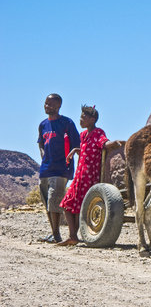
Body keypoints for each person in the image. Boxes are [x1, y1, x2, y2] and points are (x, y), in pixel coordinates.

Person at [57, 105, 121, 246]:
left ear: (92, 119)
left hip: (90, 176)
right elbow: (86, 149)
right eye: (80, 117)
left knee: (79, 205)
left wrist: (114, 144)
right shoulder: (83, 135)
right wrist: (75, 150)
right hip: (79, 175)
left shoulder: (98, 132)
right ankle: (73, 236)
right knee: (68, 204)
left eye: (83, 118)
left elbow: (103, 143)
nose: (81, 120)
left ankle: (73, 236)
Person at [38, 93, 80, 243]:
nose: (47, 106)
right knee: (47, 202)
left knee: (55, 200)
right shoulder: (43, 125)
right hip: (45, 169)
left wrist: (70, 160)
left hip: (61, 168)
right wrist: (43, 155)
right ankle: (53, 233)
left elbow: (77, 145)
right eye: (46, 103)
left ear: (58, 106)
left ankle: (56, 236)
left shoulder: (67, 123)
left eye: (50, 104)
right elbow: (41, 143)